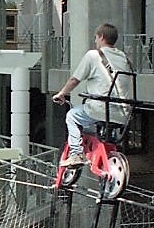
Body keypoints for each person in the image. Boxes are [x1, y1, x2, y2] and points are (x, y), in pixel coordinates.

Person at [52, 23, 134, 167]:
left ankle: (76, 154)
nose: (95, 41)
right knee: (98, 125)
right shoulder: (125, 58)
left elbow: (74, 79)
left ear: (101, 37)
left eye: (96, 38)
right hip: (124, 113)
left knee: (72, 116)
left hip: (101, 110)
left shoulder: (93, 55)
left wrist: (61, 93)